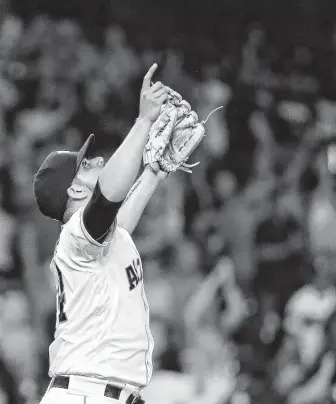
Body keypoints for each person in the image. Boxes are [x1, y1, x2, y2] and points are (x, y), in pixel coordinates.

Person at [33, 63, 170, 404]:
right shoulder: (76, 236)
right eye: (85, 165)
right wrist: (143, 122)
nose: (95, 161)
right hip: (86, 394)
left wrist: (155, 171)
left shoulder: (97, 240)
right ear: (76, 192)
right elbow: (109, 200)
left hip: (95, 393)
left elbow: (120, 223)